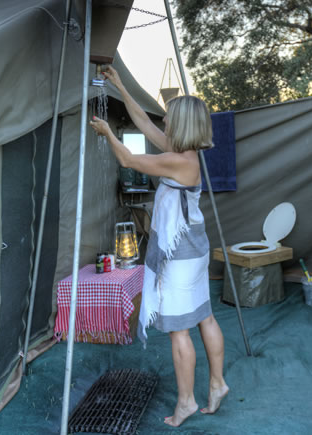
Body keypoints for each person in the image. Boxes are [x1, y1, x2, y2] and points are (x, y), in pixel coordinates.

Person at [90, 65, 229, 427]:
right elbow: (146, 127)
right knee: (205, 317)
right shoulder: (185, 154)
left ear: (181, 125)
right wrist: (120, 84)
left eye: (170, 117)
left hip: (180, 256)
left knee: (180, 329)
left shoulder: (177, 161)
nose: (163, 120)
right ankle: (217, 384)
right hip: (194, 248)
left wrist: (106, 131)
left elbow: (129, 159)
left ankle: (186, 402)